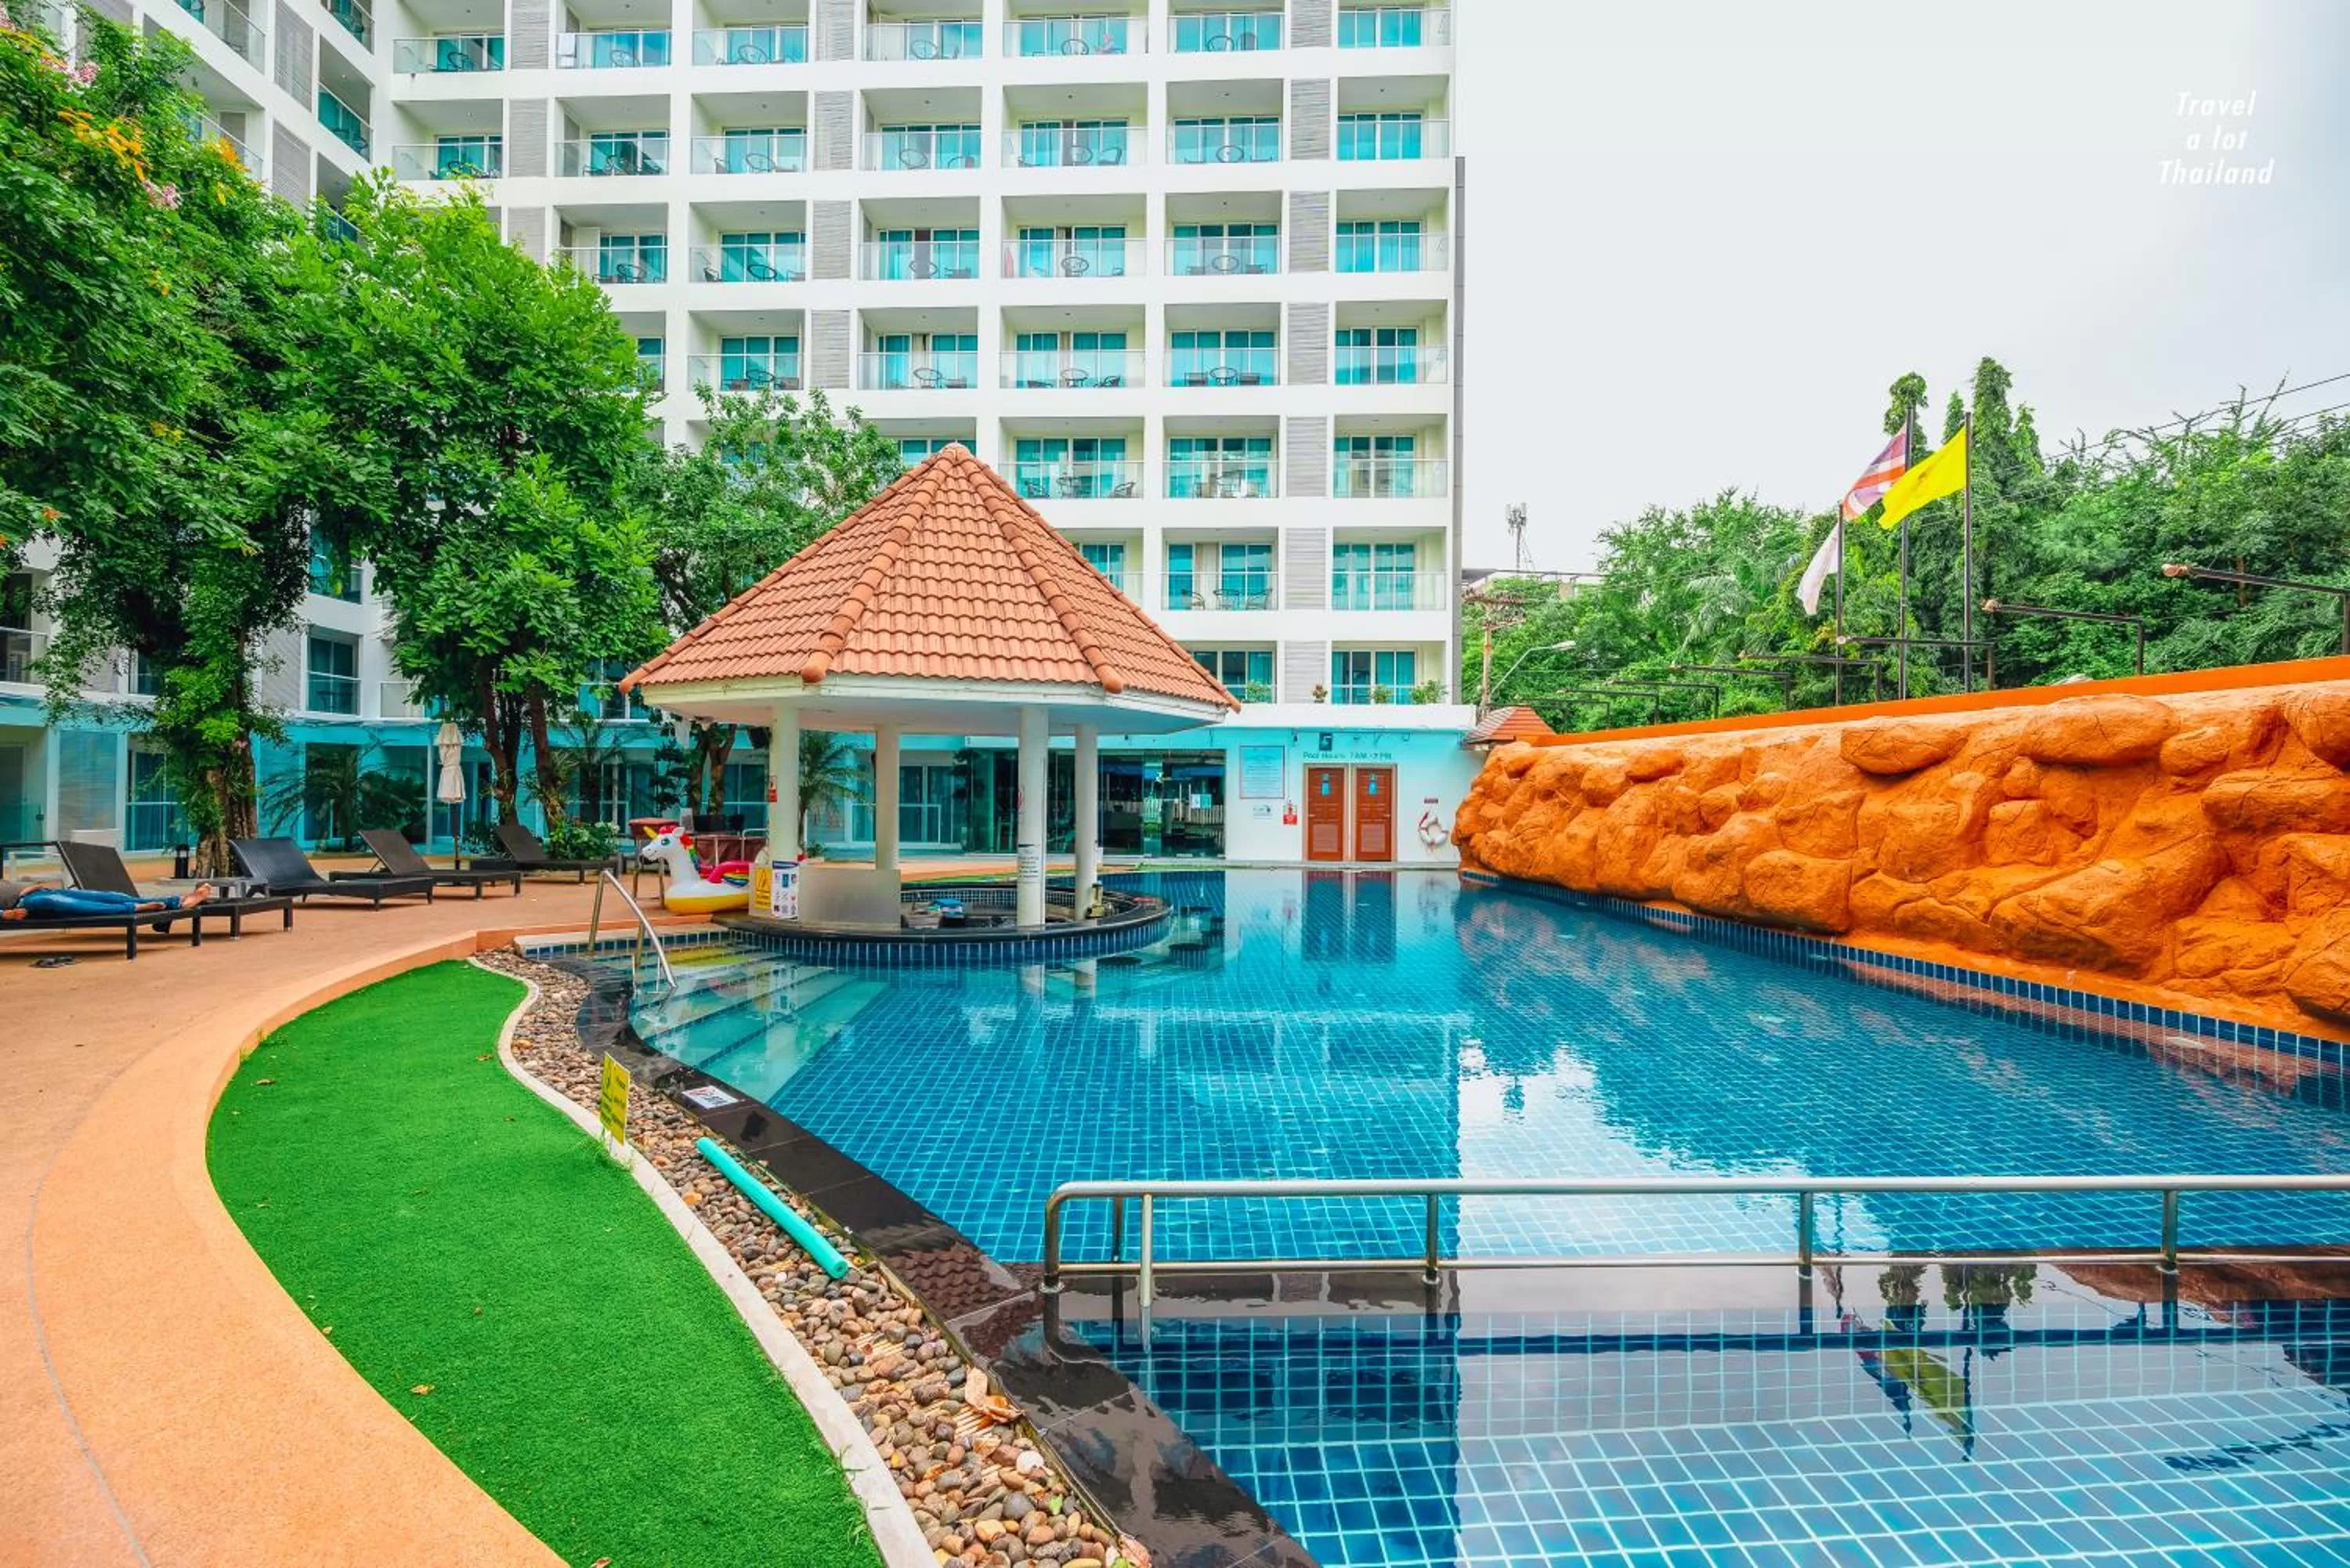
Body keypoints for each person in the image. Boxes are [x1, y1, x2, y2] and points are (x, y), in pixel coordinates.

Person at [0, 880, 214, 921]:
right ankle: (134, 908)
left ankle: (178, 901)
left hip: (34, 891)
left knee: (110, 895)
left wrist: (32, 884)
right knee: (67, 904)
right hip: (23, 904)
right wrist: (4, 914)